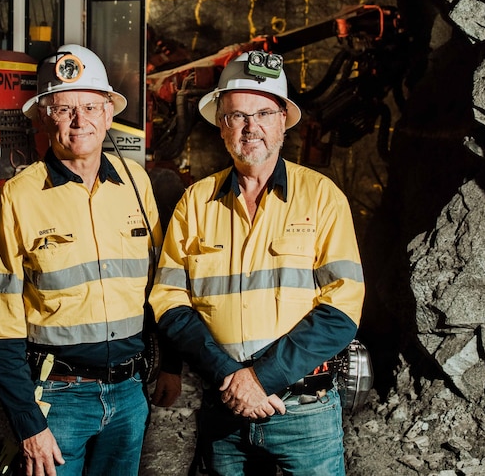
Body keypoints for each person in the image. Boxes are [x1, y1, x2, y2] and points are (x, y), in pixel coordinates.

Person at [149, 50, 365, 476]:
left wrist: (261, 379)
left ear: (283, 119)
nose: (251, 127)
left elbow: (343, 309)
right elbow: (169, 302)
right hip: (224, 410)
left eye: (263, 112)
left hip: (304, 415)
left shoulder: (321, 198)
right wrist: (231, 376)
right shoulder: (196, 203)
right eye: (237, 116)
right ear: (221, 127)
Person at [0, 44, 182, 476]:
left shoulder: (136, 184)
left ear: (109, 113)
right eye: (64, 109)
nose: (80, 120)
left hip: (129, 395)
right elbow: (0, 325)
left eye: (91, 106)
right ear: (42, 117)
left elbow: (161, 288)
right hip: (58, 398)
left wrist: (171, 365)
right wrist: (27, 423)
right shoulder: (18, 198)